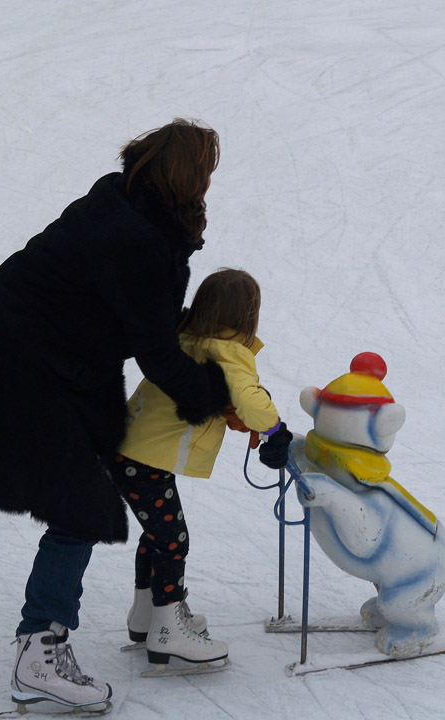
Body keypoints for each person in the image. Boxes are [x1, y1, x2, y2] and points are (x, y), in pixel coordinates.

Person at [0, 119, 263, 711]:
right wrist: (213, 392)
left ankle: (39, 647)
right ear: (189, 175)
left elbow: (133, 312)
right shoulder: (149, 241)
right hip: (29, 368)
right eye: (208, 170)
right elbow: (152, 345)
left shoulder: (118, 199)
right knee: (82, 504)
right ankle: (39, 652)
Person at [105, 267, 293, 671]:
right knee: (173, 542)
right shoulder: (228, 350)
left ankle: (147, 616)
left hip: (129, 449)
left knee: (157, 535)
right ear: (248, 316)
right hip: (145, 459)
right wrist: (275, 430)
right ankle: (167, 632)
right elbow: (248, 398)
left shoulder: (183, 338)